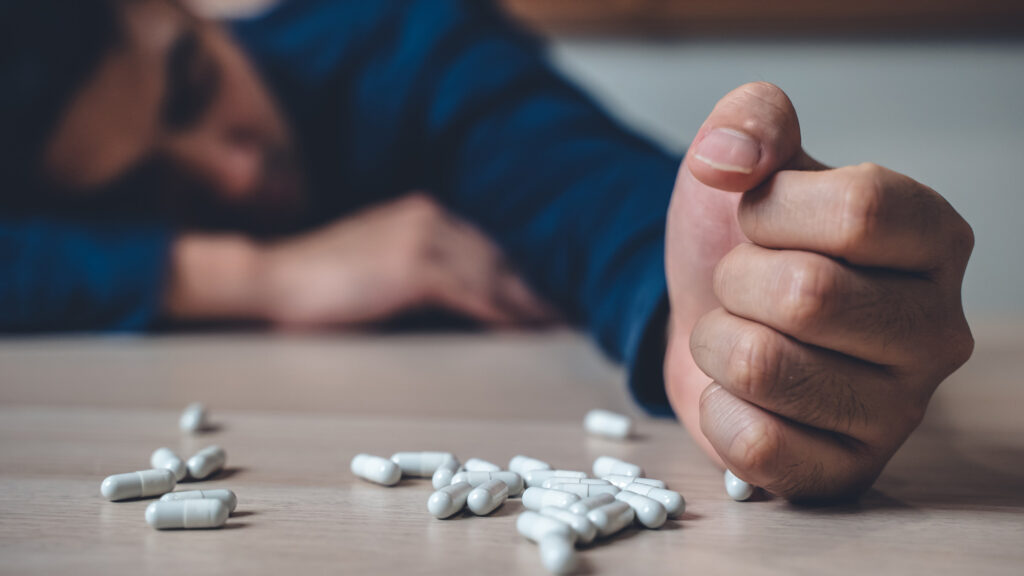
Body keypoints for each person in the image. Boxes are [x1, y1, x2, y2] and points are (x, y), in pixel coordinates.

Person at [0, 0, 974, 501]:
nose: (235, 171)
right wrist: (253, 275)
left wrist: (695, 309)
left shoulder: (402, 44)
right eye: (146, 190)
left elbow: (580, 188)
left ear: (182, 9)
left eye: (192, 86)